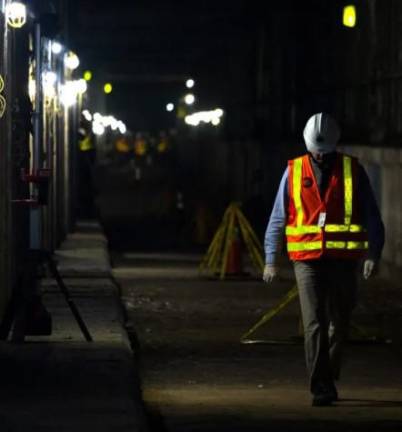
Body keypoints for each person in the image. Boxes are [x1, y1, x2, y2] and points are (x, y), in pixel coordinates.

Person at [263, 113, 385, 406]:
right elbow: (278, 217)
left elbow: (372, 216)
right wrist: (270, 258)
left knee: (340, 321)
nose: (319, 154)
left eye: (324, 149)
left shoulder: (352, 170)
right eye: (316, 149)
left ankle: (328, 371)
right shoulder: (293, 171)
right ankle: (321, 386)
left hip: (344, 260)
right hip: (306, 260)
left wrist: (373, 253)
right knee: (314, 322)